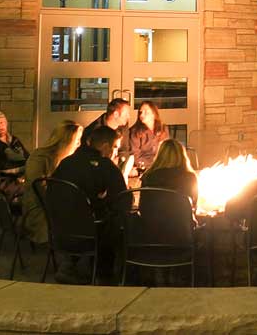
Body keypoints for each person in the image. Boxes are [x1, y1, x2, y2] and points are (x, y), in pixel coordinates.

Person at [54, 124, 129, 282]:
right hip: (90, 233)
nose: (115, 152)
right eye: (115, 147)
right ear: (105, 146)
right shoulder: (104, 165)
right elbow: (124, 199)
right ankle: (105, 276)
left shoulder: (66, 162)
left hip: (58, 231)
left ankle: (69, 265)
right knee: (115, 222)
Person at [22, 120, 83, 244]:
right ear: (66, 141)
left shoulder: (66, 158)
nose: (79, 144)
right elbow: (42, 191)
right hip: (41, 213)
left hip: (57, 206)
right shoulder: (39, 158)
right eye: (76, 141)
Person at [140, 138, 199, 206]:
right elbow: (194, 204)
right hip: (180, 216)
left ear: (159, 156)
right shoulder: (190, 178)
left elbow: (143, 206)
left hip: (153, 216)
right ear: (182, 156)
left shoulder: (148, 177)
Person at [126, 100, 168, 174]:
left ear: (154, 114)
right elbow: (135, 156)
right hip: (143, 168)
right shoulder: (135, 132)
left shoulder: (163, 128)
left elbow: (167, 150)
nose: (142, 115)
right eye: (140, 112)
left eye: (146, 112)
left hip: (162, 166)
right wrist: (153, 164)